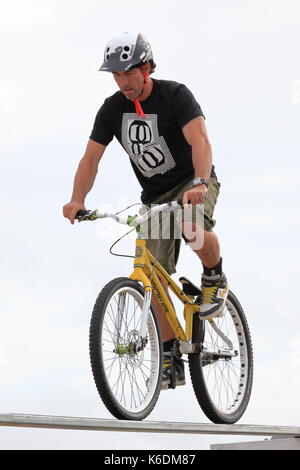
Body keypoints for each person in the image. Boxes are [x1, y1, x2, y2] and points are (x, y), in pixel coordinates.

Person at [63, 32, 228, 390]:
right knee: (151, 279)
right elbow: (91, 157)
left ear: (147, 68)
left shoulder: (175, 96)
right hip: (154, 197)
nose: (123, 82)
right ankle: (170, 352)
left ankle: (214, 276)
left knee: (190, 226)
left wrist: (200, 182)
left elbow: (200, 140)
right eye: (116, 76)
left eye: (129, 74)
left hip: (193, 183)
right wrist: (77, 199)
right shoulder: (111, 110)